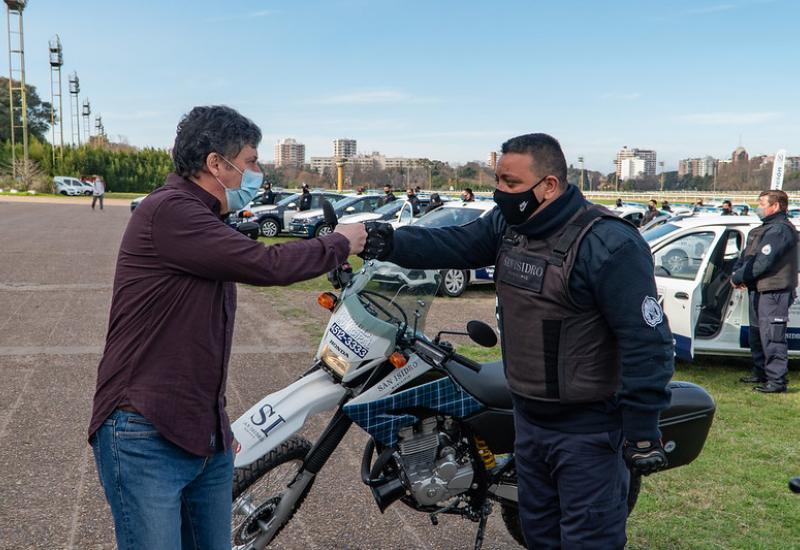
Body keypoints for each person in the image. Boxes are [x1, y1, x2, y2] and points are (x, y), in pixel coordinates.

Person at [362, 133, 673, 549]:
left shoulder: (608, 243)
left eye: (511, 184)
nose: (500, 193)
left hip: (589, 432)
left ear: (548, 185)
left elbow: (646, 341)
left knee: (589, 541)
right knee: (539, 535)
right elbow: (454, 243)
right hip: (528, 422)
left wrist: (641, 428)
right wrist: (384, 241)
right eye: (498, 181)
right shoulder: (509, 226)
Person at [87, 105, 367, 550]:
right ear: (216, 163)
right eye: (252, 161)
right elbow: (266, 264)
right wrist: (339, 242)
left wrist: (215, 427)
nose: (257, 173)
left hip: (202, 434)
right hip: (144, 430)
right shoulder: (171, 212)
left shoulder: (201, 219)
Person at [731, 189, 798, 393]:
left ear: (775, 206)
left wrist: (739, 277)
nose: (758, 207)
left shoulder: (780, 230)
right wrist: (739, 272)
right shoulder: (765, 229)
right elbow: (748, 257)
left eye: (762, 203)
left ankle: (777, 381)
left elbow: (763, 261)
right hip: (759, 289)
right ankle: (761, 372)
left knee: (772, 336)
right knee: (757, 333)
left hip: (774, 290)